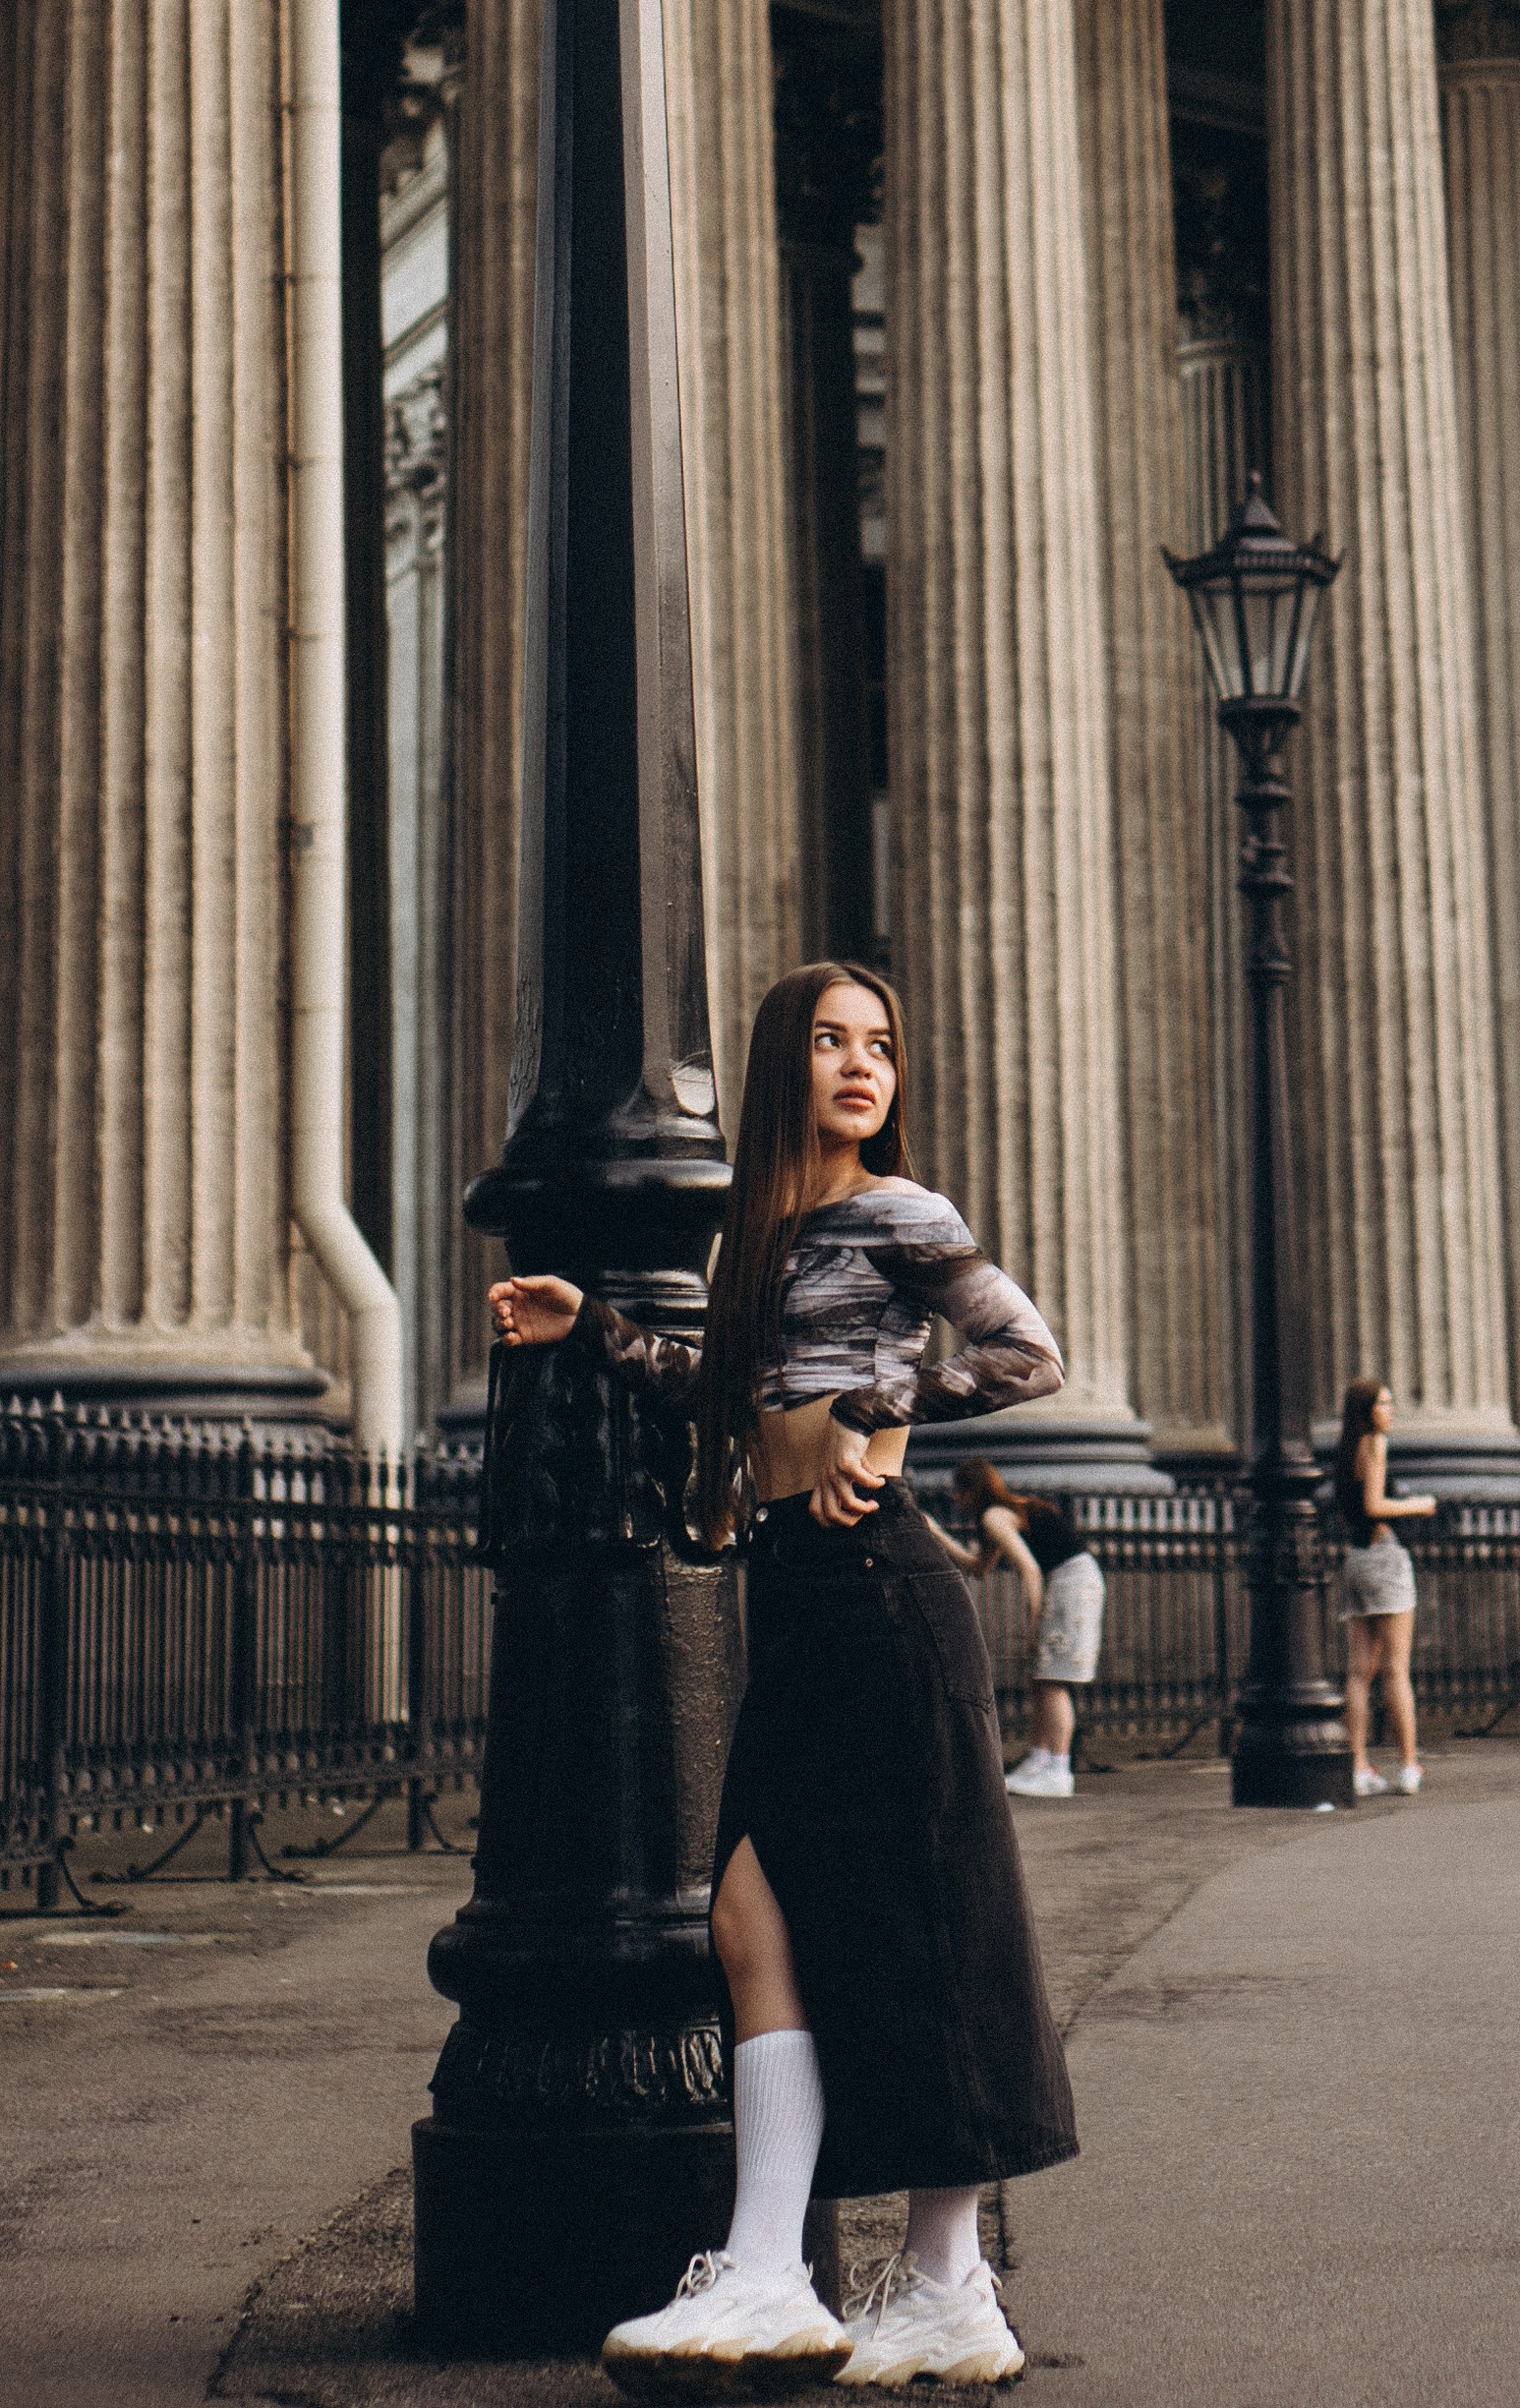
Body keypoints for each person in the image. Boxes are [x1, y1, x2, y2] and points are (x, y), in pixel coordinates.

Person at [487, 962, 1074, 2395]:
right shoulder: (767, 1236)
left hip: (885, 1587)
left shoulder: (901, 1212)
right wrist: (593, 1328)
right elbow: (733, 1399)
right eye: (829, 1041)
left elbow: (1026, 1352)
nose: (862, 1065)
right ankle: (780, 2275)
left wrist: (882, 1403)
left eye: (880, 1044)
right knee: (753, 1918)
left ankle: (936, 2283)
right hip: (802, 1590)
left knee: (919, 1927)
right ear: (779, 1066)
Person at [942, 1457, 1106, 1800]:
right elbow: (979, 1568)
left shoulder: (993, 1515)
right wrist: (936, 1534)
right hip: (1077, 1579)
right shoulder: (1007, 1512)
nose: (955, 1498)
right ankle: (1039, 1761)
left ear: (971, 1490)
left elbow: (1029, 1569)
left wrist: (1033, 1626)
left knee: (1053, 1679)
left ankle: (1058, 1770)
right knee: (1042, 1678)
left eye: (958, 1491)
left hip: (1070, 1582)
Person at [1333, 1379, 1436, 1798]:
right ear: (1367, 1410)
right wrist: (1419, 1505)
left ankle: (1358, 1767)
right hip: (1384, 1556)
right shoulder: (1375, 1443)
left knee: (1359, 1672)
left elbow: (1353, 1508)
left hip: (1356, 1559)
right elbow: (1374, 1505)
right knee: (1396, 1669)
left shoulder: (1345, 1450)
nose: (1390, 1411)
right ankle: (1409, 1765)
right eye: (1384, 1403)